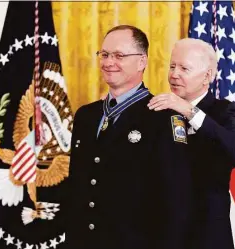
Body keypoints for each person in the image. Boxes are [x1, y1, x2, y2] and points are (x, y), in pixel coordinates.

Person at [63, 25, 192, 249]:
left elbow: (176, 202)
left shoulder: (162, 117)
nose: (108, 62)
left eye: (119, 55)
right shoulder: (87, 115)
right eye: (104, 54)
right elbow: (78, 188)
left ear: (142, 61)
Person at [148, 38, 235, 249]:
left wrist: (188, 111)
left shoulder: (224, 111)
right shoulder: (158, 111)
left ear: (207, 76)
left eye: (184, 68)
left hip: (207, 236)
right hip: (162, 236)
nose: (174, 74)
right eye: (172, 66)